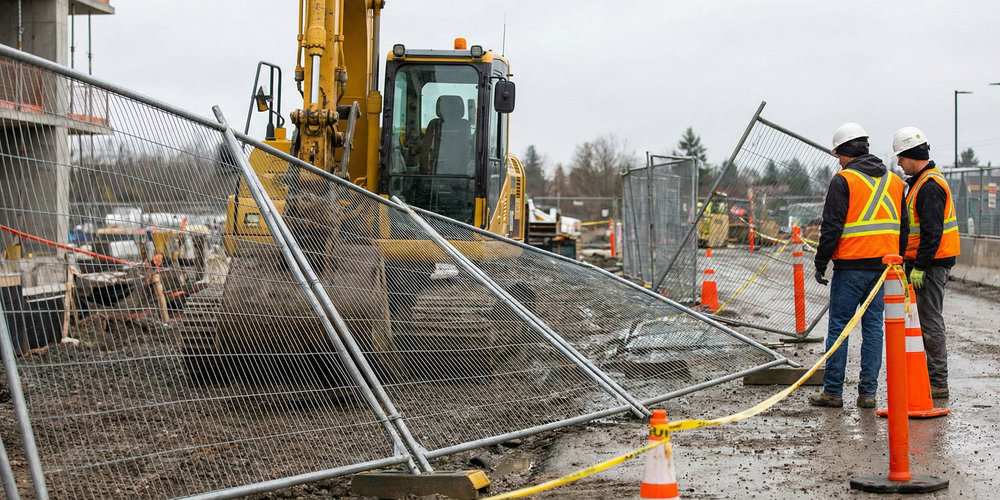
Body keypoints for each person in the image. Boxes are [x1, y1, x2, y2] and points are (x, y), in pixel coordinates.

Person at [810, 123, 908, 409]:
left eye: (838, 155)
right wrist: (897, 260)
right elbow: (903, 228)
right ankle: (868, 394)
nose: (838, 161)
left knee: (839, 328)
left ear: (846, 152)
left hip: (850, 267)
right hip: (883, 269)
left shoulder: (843, 180)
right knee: (874, 329)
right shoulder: (894, 182)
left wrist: (820, 261)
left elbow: (832, 227)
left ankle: (833, 392)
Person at [892, 127, 959, 399]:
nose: (899, 163)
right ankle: (929, 379)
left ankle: (938, 382)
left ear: (911, 155)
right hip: (927, 262)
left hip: (931, 264)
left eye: (900, 157)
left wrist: (920, 266)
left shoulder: (929, 186)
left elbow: (932, 232)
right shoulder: (921, 182)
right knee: (925, 321)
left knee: (930, 322)